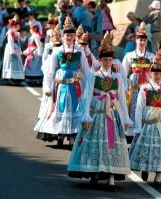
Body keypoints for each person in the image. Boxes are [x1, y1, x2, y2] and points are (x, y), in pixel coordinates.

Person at [68, 31, 132, 191]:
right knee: (94, 145)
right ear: (100, 60)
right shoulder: (94, 76)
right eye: (105, 59)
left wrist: (125, 118)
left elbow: (122, 101)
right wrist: (86, 115)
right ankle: (94, 173)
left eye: (110, 60)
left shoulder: (117, 78)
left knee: (112, 147)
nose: (108, 62)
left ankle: (111, 179)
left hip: (111, 115)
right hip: (96, 115)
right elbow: (87, 97)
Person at [37, 16, 92, 146]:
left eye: (72, 35)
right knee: (60, 108)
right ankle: (60, 135)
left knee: (74, 109)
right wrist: (47, 88)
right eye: (67, 35)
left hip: (75, 86)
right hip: (61, 86)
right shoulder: (57, 51)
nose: (69, 37)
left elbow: (87, 71)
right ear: (63, 36)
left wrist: (94, 82)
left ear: (74, 36)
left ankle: (72, 137)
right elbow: (50, 71)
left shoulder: (79, 51)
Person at [129, 49, 161, 183]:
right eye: (155, 73)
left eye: (160, 73)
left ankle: (159, 173)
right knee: (147, 146)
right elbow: (139, 108)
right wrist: (138, 126)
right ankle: (145, 168)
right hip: (148, 122)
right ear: (150, 73)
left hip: (160, 121)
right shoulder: (145, 88)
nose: (158, 76)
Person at [122, 22, 154, 139]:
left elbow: (154, 74)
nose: (142, 42)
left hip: (146, 88)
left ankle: (143, 132)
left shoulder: (151, 56)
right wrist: (125, 88)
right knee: (134, 109)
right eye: (139, 39)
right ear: (135, 39)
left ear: (146, 41)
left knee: (145, 111)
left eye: (144, 40)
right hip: (134, 89)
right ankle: (132, 134)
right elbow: (123, 74)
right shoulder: (129, 56)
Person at [2, 19, 24, 84]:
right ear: (12, 26)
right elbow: (10, 42)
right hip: (10, 49)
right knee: (11, 63)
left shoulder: (18, 33)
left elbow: (19, 42)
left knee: (17, 64)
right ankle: (10, 78)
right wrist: (12, 52)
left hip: (16, 49)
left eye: (18, 26)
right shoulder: (10, 32)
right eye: (16, 26)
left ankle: (17, 78)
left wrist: (19, 50)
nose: (17, 27)